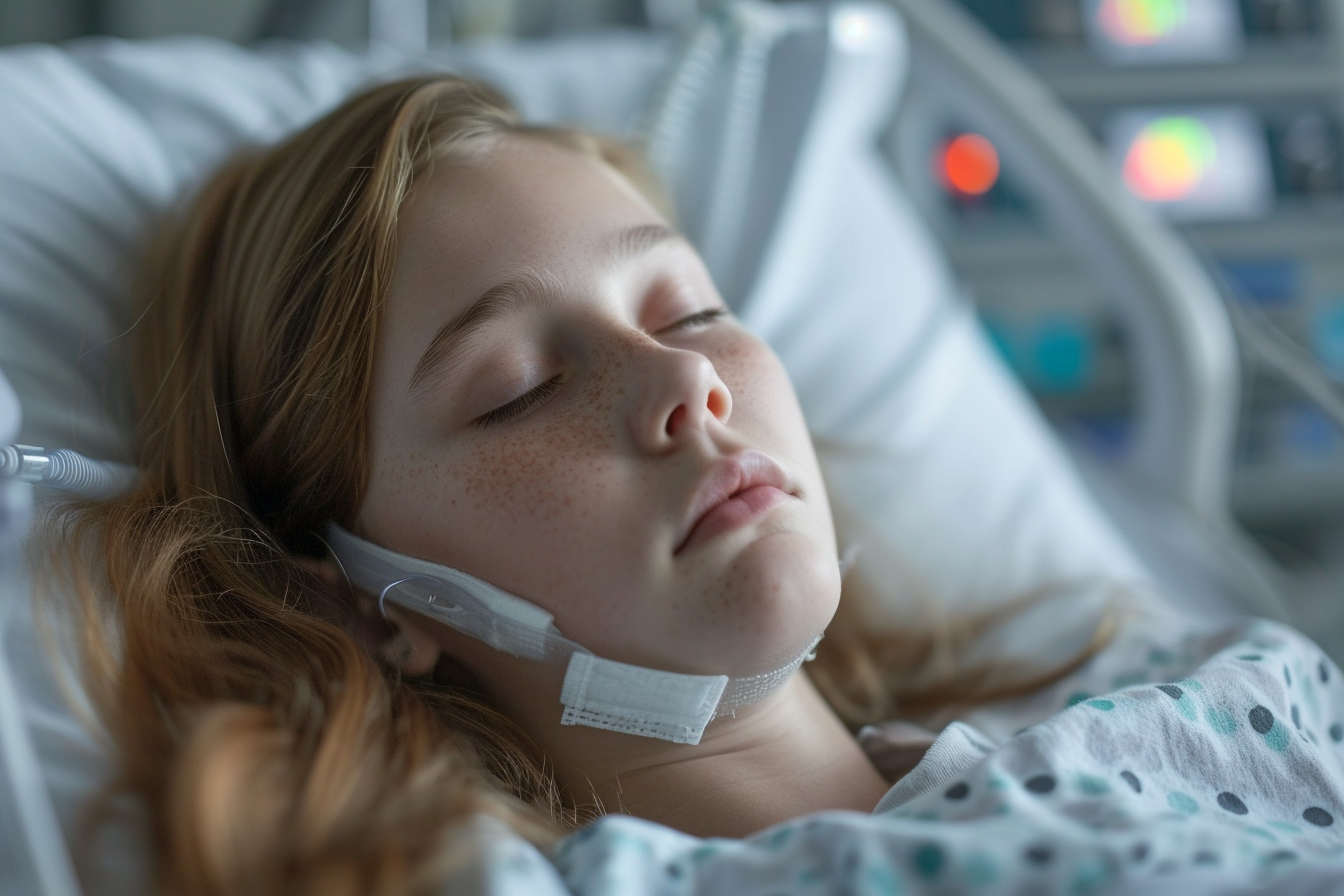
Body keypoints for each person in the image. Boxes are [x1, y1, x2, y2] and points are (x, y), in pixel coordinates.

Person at [62, 73, 1271, 896]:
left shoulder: (1212, 713)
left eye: (691, 309)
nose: (687, 379)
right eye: (518, 386)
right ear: (365, 596)